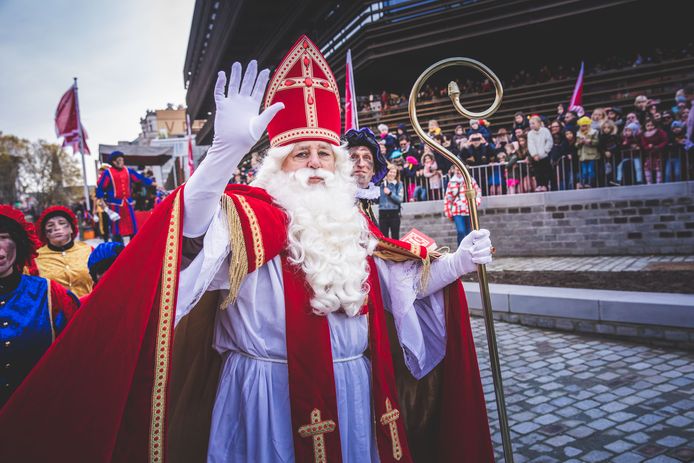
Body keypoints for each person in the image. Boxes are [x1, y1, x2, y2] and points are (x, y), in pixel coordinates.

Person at [0, 36, 495, 463]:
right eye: (301, 153)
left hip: (355, 392)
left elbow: (401, 289)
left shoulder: (352, 224)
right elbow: (187, 226)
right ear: (276, 166)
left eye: (325, 152)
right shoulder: (248, 214)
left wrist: (458, 263)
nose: (316, 163)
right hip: (266, 395)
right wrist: (223, 153)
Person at [0, 205, 79, 407]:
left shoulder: (51, 293)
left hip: (42, 411)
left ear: (18, 243)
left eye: (3, 237)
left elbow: (79, 351)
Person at [95, 150, 153, 244]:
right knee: (116, 229)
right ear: (114, 162)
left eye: (122, 160)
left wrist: (152, 183)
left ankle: (133, 246)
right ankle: (119, 249)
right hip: (114, 205)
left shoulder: (128, 171)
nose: (122, 162)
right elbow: (100, 188)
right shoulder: (107, 173)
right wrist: (103, 202)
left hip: (128, 203)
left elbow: (139, 179)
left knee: (133, 227)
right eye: (119, 160)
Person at [35, 206, 93, 298]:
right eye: (50, 225)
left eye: (62, 223)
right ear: (45, 233)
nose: (57, 228)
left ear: (71, 228)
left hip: (88, 307)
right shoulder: (35, 258)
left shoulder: (89, 251)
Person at [345, 127, 388, 224]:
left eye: (367, 157)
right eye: (353, 157)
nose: (361, 164)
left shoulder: (368, 205)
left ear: (374, 170)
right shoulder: (334, 205)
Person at [443, 166, 482, 245]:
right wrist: (448, 212)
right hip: (457, 210)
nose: (458, 171)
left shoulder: (470, 180)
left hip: (469, 210)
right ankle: (460, 251)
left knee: (469, 232)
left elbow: (478, 192)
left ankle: (469, 251)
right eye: (457, 169)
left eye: (460, 169)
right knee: (461, 231)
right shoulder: (451, 182)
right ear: (454, 170)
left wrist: (476, 203)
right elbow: (448, 198)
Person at [527, 115, 553, 191]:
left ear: (539, 123)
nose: (531, 125)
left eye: (533, 123)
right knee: (537, 171)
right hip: (535, 157)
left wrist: (545, 151)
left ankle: (545, 185)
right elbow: (530, 144)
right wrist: (534, 154)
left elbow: (549, 141)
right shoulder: (530, 133)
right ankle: (539, 185)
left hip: (544, 155)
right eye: (530, 124)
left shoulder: (545, 131)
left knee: (546, 171)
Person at [378, 164, 404, 239]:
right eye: (390, 172)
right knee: (384, 238)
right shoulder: (381, 184)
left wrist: (390, 193)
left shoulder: (399, 184)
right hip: (382, 213)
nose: (392, 174)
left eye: (394, 172)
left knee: (395, 237)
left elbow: (400, 199)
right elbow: (376, 200)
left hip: (394, 213)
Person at [640, 118, 668, 184]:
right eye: (648, 125)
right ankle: (649, 183)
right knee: (647, 169)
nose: (650, 127)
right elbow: (644, 145)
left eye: (651, 125)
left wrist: (657, 146)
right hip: (649, 155)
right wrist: (648, 147)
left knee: (659, 169)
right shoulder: (644, 134)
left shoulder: (660, 132)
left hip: (659, 154)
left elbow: (665, 140)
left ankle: (659, 184)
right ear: (645, 126)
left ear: (654, 125)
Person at [576, 116, 600, 188]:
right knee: (584, 171)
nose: (583, 127)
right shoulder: (578, 134)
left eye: (585, 126)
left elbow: (597, 142)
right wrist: (579, 143)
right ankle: (585, 183)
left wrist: (590, 141)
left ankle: (591, 183)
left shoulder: (594, 132)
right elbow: (576, 144)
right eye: (582, 126)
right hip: (583, 156)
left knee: (590, 170)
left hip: (591, 155)